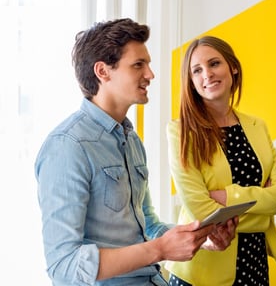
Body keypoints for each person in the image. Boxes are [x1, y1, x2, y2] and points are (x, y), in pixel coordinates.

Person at [34, 18, 237, 286]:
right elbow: (64, 265)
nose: (151, 74)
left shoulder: (130, 140)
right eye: (138, 65)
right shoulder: (67, 146)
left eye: (148, 64)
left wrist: (199, 239)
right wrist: (161, 250)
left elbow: (147, 226)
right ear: (103, 72)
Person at [165, 36, 276, 286]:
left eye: (214, 64)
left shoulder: (257, 126)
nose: (207, 75)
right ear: (190, 82)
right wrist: (261, 213)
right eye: (197, 70)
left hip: (254, 262)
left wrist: (227, 198)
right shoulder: (181, 132)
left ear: (232, 67)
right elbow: (201, 210)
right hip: (203, 270)